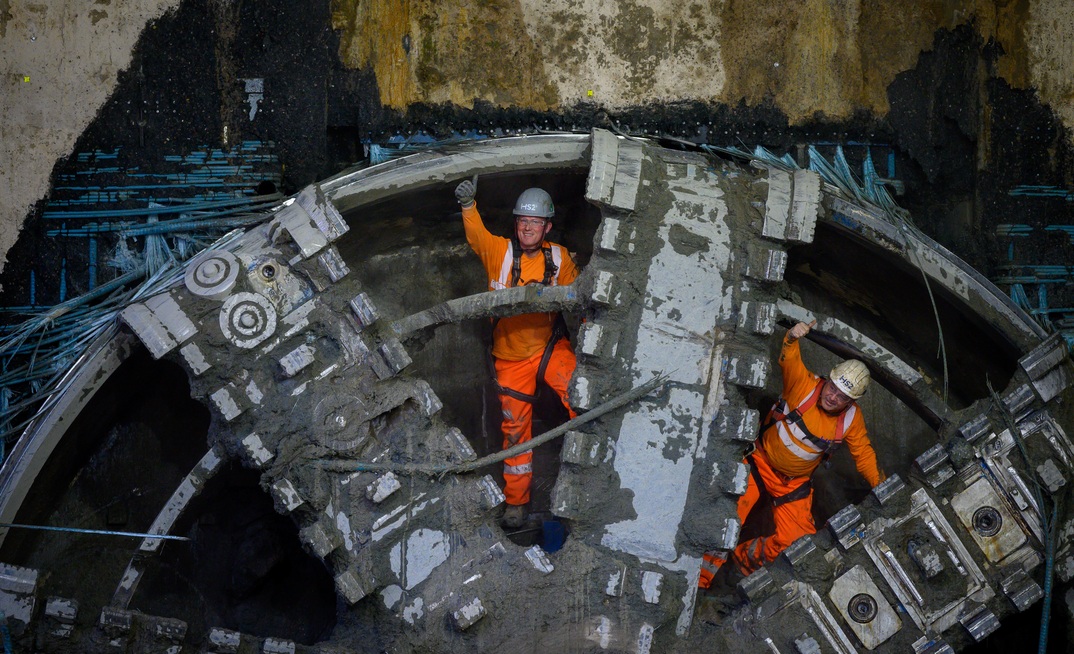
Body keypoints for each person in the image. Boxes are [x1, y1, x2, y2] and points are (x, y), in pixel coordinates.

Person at [700, 319, 884, 588]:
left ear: (852, 401)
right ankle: (699, 582)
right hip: (759, 463)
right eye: (833, 388)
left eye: (842, 396)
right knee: (724, 522)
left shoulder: (851, 420)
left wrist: (881, 486)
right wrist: (791, 338)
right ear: (828, 378)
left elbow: (863, 454)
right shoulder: (804, 386)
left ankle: (741, 564)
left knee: (800, 546)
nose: (833, 397)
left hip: (793, 485)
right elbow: (789, 360)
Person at [454, 178, 580, 529]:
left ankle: (586, 482)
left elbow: (582, 297)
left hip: (549, 347)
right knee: (515, 430)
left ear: (547, 227)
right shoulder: (501, 252)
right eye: (523, 220)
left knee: (582, 401)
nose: (528, 227)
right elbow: (476, 235)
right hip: (509, 356)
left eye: (535, 222)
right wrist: (468, 205)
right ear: (516, 224)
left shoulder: (559, 258)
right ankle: (517, 503)